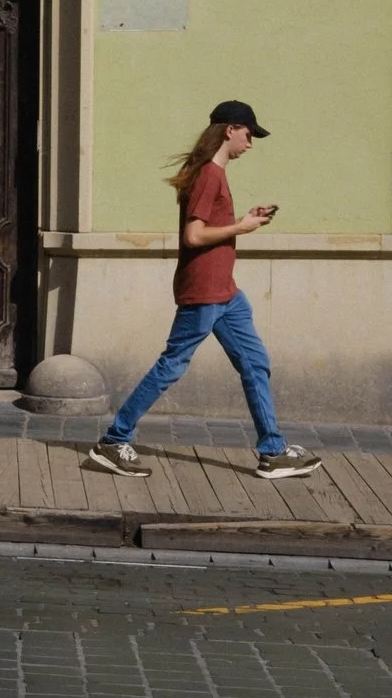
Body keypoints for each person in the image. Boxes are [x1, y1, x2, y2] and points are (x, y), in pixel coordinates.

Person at [85, 100, 322, 480]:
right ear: (230, 130)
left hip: (225, 292)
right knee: (172, 365)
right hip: (205, 291)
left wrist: (245, 218)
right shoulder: (209, 174)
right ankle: (114, 441)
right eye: (248, 133)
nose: (251, 142)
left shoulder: (213, 173)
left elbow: (209, 225)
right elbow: (193, 235)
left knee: (255, 363)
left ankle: (273, 452)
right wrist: (240, 228)